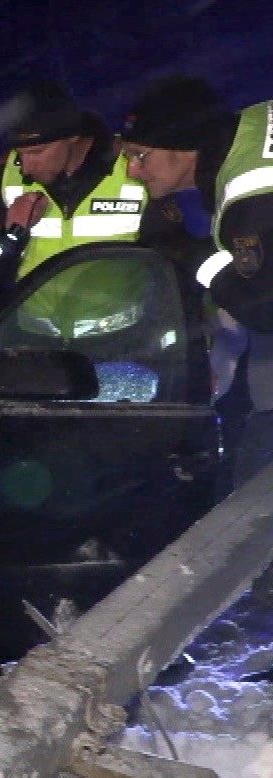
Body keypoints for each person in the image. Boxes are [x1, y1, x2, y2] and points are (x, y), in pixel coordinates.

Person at [121, 75, 273, 486]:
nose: (133, 171)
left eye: (140, 156)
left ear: (183, 146)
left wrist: (190, 253)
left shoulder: (250, 198)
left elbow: (265, 307)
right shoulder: (254, 123)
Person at [0, 81, 147, 313]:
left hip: (117, 331)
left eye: (37, 152)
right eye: (20, 154)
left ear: (72, 137)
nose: (26, 168)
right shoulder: (8, 175)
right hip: (35, 330)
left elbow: (170, 258)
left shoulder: (133, 167)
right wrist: (10, 236)